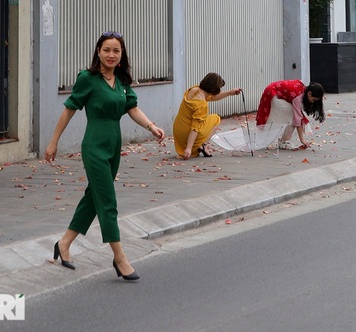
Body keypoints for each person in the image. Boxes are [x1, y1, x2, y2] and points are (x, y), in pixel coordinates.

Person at [45, 31, 164, 282]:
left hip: (114, 146)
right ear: (98, 51)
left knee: (94, 196)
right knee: (107, 201)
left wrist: (151, 127)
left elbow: (132, 108)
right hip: (95, 146)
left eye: (116, 51)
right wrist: (54, 141)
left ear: (122, 55)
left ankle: (64, 243)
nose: (111, 55)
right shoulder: (88, 79)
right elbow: (69, 110)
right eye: (107, 50)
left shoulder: (121, 80)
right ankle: (119, 258)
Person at [173, 73, 242, 159]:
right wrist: (188, 148)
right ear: (215, 90)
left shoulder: (194, 90)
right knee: (216, 119)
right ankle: (202, 145)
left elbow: (212, 97)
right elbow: (195, 128)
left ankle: (197, 145)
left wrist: (229, 93)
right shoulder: (201, 104)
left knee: (203, 120)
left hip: (178, 130)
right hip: (187, 134)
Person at [255, 80, 325, 149]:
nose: (313, 102)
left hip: (273, 90)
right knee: (293, 115)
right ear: (309, 93)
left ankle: (284, 140)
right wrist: (302, 140)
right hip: (272, 93)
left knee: (293, 114)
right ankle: (284, 141)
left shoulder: (303, 90)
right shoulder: (298, 97)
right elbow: (298, 119)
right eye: (313, 100)